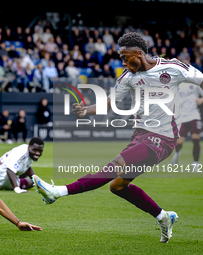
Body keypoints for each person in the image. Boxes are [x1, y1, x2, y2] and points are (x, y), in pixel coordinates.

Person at [32, 32, 203, 243]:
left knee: (116, 165)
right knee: (117, 186)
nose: (123, 62)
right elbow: (109, 103)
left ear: (138, 53)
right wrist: (86, 111)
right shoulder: (127, 77)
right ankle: (163, 217)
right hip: (140, 135)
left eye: (125, 56)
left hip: (163, 138)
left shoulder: (173, 67)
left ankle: (57, 191)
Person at [171, 83, 203, 170]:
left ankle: (195, 164)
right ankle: (177, 153)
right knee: (180, 141)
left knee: (195, 139)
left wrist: (201, 100)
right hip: (182, 117)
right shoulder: (178, 84)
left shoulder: (195, 83)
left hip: (194, 115)